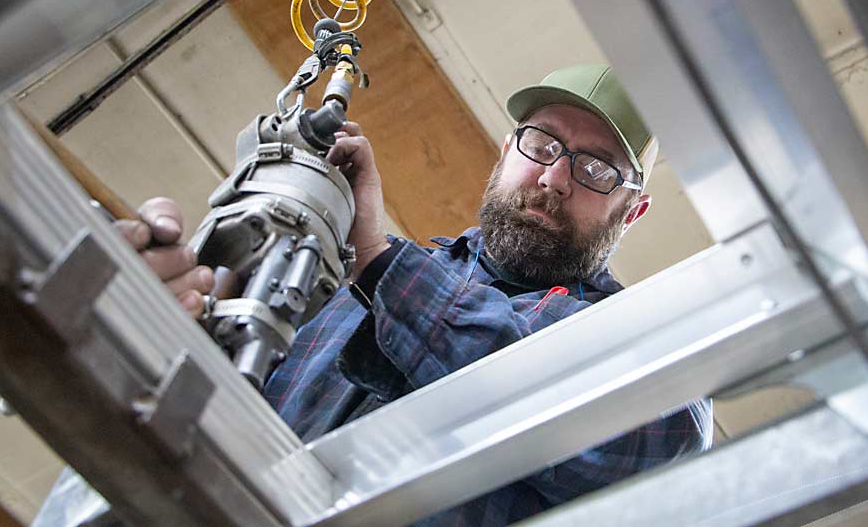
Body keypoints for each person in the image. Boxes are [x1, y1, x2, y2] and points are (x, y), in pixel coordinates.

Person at [116, 64, 712, 526]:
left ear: (630, 212)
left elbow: (664, 439)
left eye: (597, 169)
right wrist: (163, 312)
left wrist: (376, 259)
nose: (554, 178)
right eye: (543, 144)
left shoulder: (646, 347)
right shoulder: (341, 285)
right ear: (508, 152)